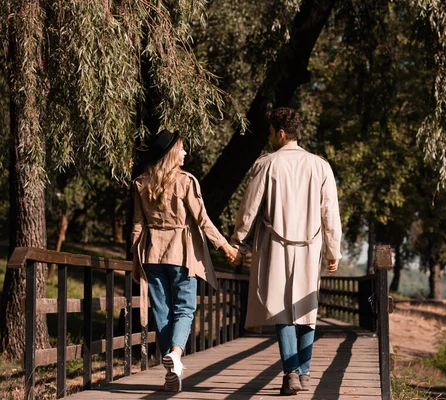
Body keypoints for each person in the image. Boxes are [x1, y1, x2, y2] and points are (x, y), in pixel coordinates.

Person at [230, 107, 342, 395]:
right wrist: (333, 250)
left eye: (270, 132)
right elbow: (330, 211)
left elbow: (249, 207)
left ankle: (291, 372)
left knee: (282, 309)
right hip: (310, 243)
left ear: (280, 133)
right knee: (307, 308)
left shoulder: (267, 164)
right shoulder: (320, 166)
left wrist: (237, 240)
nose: (269, 138)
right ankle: (303, 372)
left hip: (275, 243)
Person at [131, 128, 239, 392]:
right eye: (181, 148)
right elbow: (202, 220)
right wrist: (225, 246)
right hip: (181, 252)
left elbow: (137, 225)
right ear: (171, 154)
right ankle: (176, 354)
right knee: (185, 309)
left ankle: (172, 370)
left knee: (162, 312)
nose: (185, 152)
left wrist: (136, 261)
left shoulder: (141, 183)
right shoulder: (186, 182)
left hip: (152, 253)